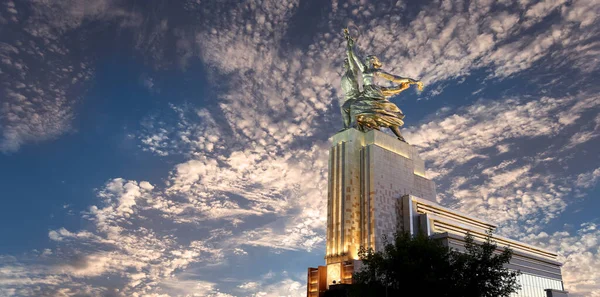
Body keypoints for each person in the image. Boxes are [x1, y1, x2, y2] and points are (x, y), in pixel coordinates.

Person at [345, 35, 422, 142]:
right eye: (367, 59)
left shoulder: (378, 72)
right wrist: (351, 43)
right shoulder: (364, 70)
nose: (367, 60)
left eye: (370, 59)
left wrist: (414, 81)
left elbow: (396, 78)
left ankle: (400, 137)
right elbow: (354, 56)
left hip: (375, 93)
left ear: (374, 62)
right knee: (354, 106)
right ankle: (354, 125)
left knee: (385, 112)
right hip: (367, 92)